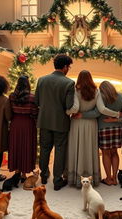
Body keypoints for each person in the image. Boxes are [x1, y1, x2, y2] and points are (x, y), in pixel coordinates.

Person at [35, 54, 74, 191]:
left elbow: (37, 101)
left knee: (45, 149)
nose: (68, 69)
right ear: (64, 67)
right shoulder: (69, 83)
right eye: (68, 67)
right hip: (61, 122)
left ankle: (44, 175)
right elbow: (69, 106)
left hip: (44, 120)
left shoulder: (41, 80)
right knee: (60, 150)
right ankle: (57, 180)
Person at [66, 70, 100, 188]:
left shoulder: (76, 91)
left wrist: (67, 112)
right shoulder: (97, 91)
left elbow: (74, 108)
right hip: (91, 124)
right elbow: (99, 110)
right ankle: (91, 177)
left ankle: (76, 177)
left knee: (76, 148)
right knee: (90, 148)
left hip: (77, 123)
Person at [8, 76, 38, 182]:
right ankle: (24, 174)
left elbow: (9, 112)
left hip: (15, 124)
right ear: (28, 84)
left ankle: (17, 171)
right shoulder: (32, 97)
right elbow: (34, 113)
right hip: (28, 124)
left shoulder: (11, 96)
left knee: (16, 146)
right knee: (26, 146)